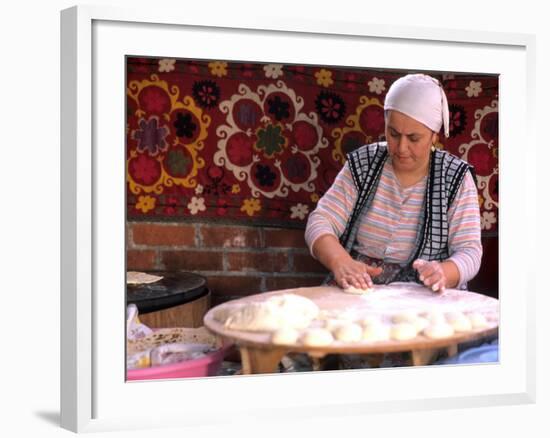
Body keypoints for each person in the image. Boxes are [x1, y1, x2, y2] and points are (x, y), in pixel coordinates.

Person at [305, 73, 482, 293]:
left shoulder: (455, 178)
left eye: (414, 138)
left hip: (422, 292)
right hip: (361, 284)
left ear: (434, 135)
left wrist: (444, 272)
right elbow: (321, 220)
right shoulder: (364, 163)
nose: (401, 148)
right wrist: (341, 261)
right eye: (393, 133)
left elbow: (470, 251)